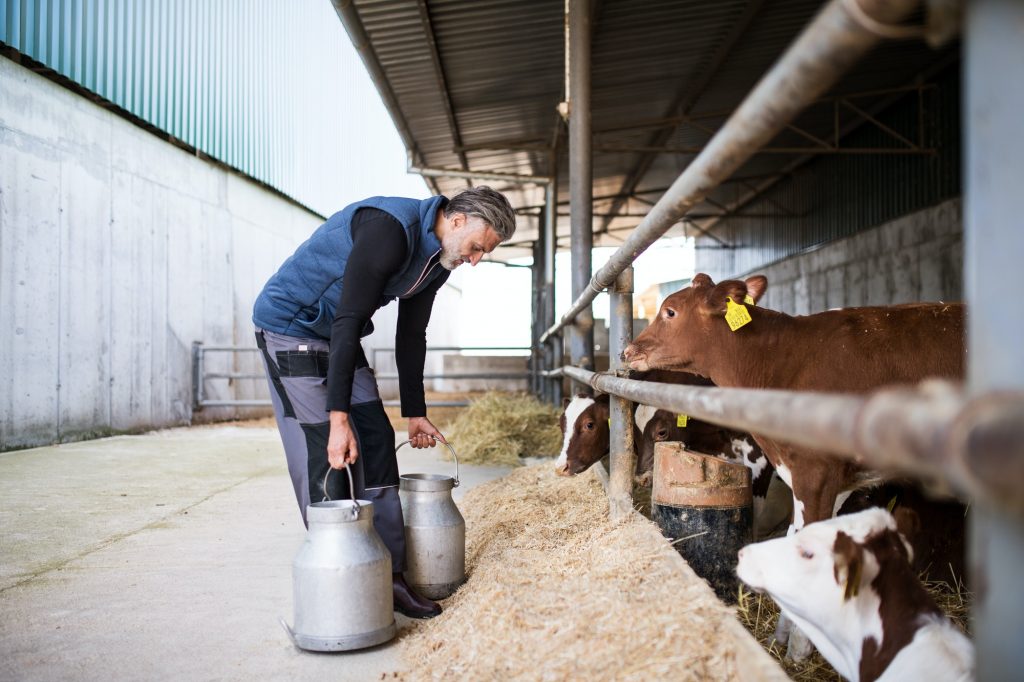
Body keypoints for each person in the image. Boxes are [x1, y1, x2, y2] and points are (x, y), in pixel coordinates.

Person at [252, 186, 517, 619]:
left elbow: (411, 335)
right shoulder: (389, 230)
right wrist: (338, 419)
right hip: (292, 324)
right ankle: (339, 571)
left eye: (482, 253)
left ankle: (390, 576)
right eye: (475, 248)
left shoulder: (438, 263)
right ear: (454, 221)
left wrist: (415, 413)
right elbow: (349, 318)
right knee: (326, 447)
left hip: (339, 332)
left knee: (375, 434)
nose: (474, 260)